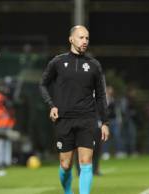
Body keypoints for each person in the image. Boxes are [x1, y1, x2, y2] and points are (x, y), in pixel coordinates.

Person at [39, 25, 109, 194]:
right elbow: (42, 84)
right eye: (81, 37)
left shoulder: (94, 65)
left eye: (87, 38)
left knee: (86, 163)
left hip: (87, 119)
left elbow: (101, 95)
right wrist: (51, 105)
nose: (84, 41)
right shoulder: (58, 62)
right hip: (64, 120)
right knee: (65, 164)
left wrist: (105, 122)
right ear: (71, 39)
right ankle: (68, 191)